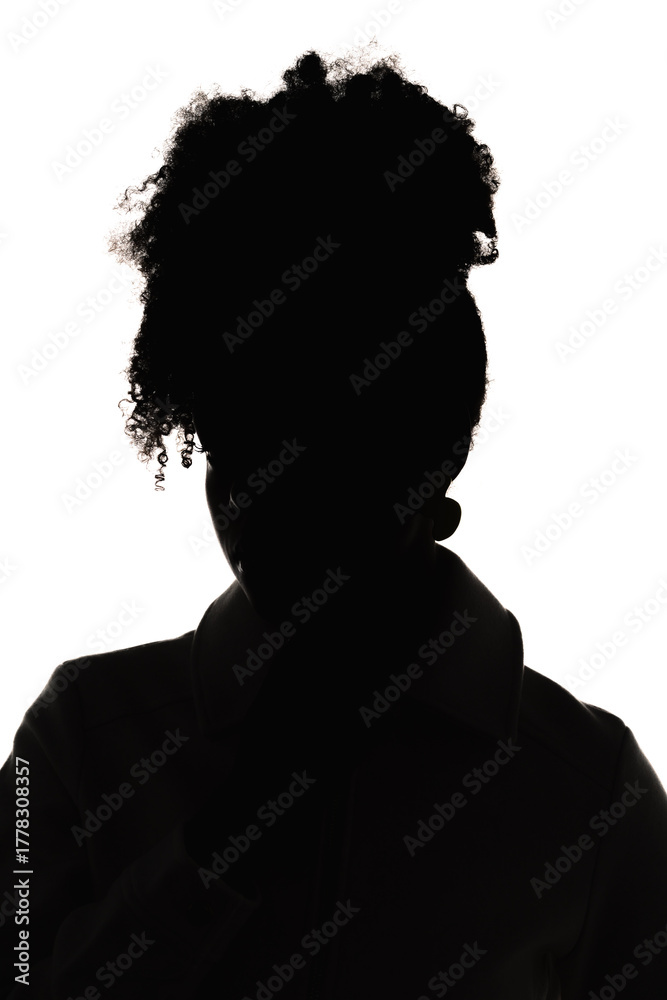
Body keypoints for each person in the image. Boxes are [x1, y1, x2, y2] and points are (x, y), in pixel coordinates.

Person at [2, 46, 667, 999]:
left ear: (435, 459)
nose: (272, 504)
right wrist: (224, 843)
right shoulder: (78, 737)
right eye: (241, 447)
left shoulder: (591, 792)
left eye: (337, 454)